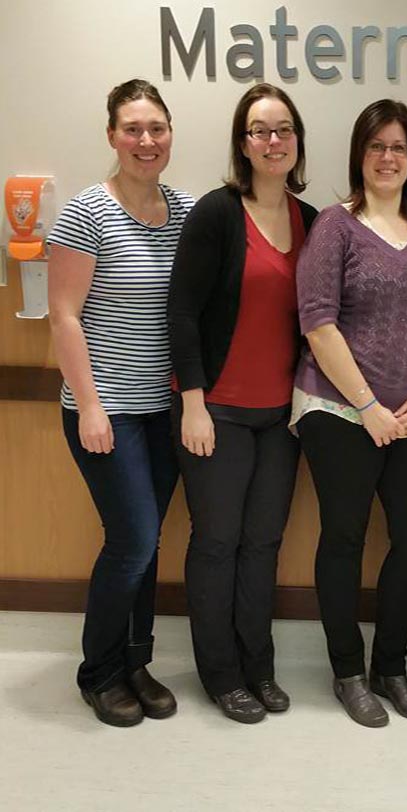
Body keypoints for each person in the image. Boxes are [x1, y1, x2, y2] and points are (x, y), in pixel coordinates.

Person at [167, 84, 317, 724]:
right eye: (260, 130)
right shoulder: (217, 213)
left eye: (283, 129)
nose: (273, 141)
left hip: (281, 417)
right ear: (243, 143)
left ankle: (259, 666)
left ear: (297, 140)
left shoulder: (312, 220)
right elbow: (182, 312)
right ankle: (222, 675)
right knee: (217, 542)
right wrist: (193, 404)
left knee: (263, 544)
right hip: (218, 412)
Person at [47, 79, 194, 727]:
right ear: (112, 135)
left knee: (148, 540)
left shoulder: (185, 210)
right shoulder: (87, 213)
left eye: (156, 128)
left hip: (163, 410)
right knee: (132, 539)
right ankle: (99, 672)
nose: (146, 140)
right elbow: (63, 317)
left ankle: (137, 662)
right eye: (132, 129)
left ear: (170, 134)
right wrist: (90, 406)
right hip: (104, 409)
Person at [293, 99, 407, 728]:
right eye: (376, 146)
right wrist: (368, 406)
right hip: (338, 410)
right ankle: (348, 672)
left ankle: (391, 668)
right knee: (345, 537)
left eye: (398, 147)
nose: (387, 157)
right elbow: (317, 323)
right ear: (360, 155)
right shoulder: (335, 225)